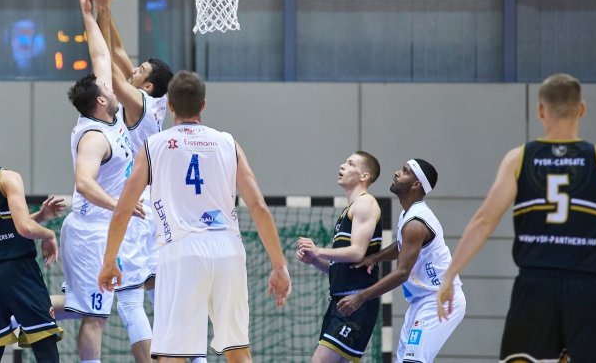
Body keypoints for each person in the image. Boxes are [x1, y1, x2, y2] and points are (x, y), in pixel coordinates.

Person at [97, 70, 292, 362]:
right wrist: (279, 264)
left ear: (170, 106)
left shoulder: (154, 145)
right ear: (203, 105)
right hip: (228, 250)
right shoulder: (227, 143)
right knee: (238, 351)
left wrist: (110, 261)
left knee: (171, 355)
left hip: (181, 251)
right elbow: (259, 207)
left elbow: (123, 209)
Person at [437, 73, 596, 362]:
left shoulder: (519, 159)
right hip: (588, 289)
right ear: (581, 109)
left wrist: (450, 275)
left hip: (535, 288)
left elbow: (484, 220)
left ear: (540, 110)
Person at [57, 0, 145, 363]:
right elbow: (83, 182)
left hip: (102, 229)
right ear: (100, 101)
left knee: (87, 307)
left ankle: (24, 309)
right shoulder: (93, 138)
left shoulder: (105, 110)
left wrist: (88, 13)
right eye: (105, 89)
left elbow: (100, 55)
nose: (111, 87)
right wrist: (118, 205)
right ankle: (21, 309)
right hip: (90, 231)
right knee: (95, 316)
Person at [90, 0, 175, 362]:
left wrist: (99, 11)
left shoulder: (139, 103)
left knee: (128, 300)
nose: (133, 69)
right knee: (161, 296)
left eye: (139, 70)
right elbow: (119, 50)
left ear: (149, 85)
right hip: (155, 208)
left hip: (138, 208)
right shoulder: (151, 101)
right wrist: (105, 10)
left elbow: (108, 67)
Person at [337, 159, 465, 363]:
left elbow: (401, 273)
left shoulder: (416, 223)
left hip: (439, 299)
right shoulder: (409, 214)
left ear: (416, 184)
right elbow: (401, 246)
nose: (396, 172)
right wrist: (375, 257)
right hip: (420, 301)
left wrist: (361, 297)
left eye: (405, 171)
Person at [0, 119, 64, 363]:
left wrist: (41, 216)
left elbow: (4, 227)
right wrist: (48, 234)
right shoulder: (8, 177)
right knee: (46, 347)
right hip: (17, 272)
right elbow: (24, 228)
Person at [296, 151, 383, 363]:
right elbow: (342, 266)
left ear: (364, 176)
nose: (342, 166)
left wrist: (318, 250)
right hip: (340, 302)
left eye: (350, 164)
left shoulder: (365, 204)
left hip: (355, 302)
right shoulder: (348, 210)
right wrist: (315, 260)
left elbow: (357, 252)